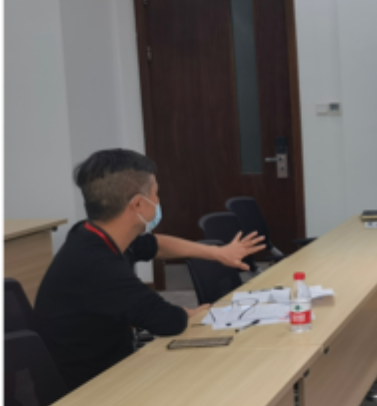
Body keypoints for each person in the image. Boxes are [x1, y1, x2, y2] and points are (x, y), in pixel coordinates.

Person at [35, 149, 265, 392]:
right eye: (156, 194)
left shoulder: (93, 234)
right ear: (138, 205)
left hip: (113, 365)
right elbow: (167, 320)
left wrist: (218, 253)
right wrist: (188, 314)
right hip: (91, 390)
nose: (158, 201)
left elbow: (156, 245)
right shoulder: (97, 266)